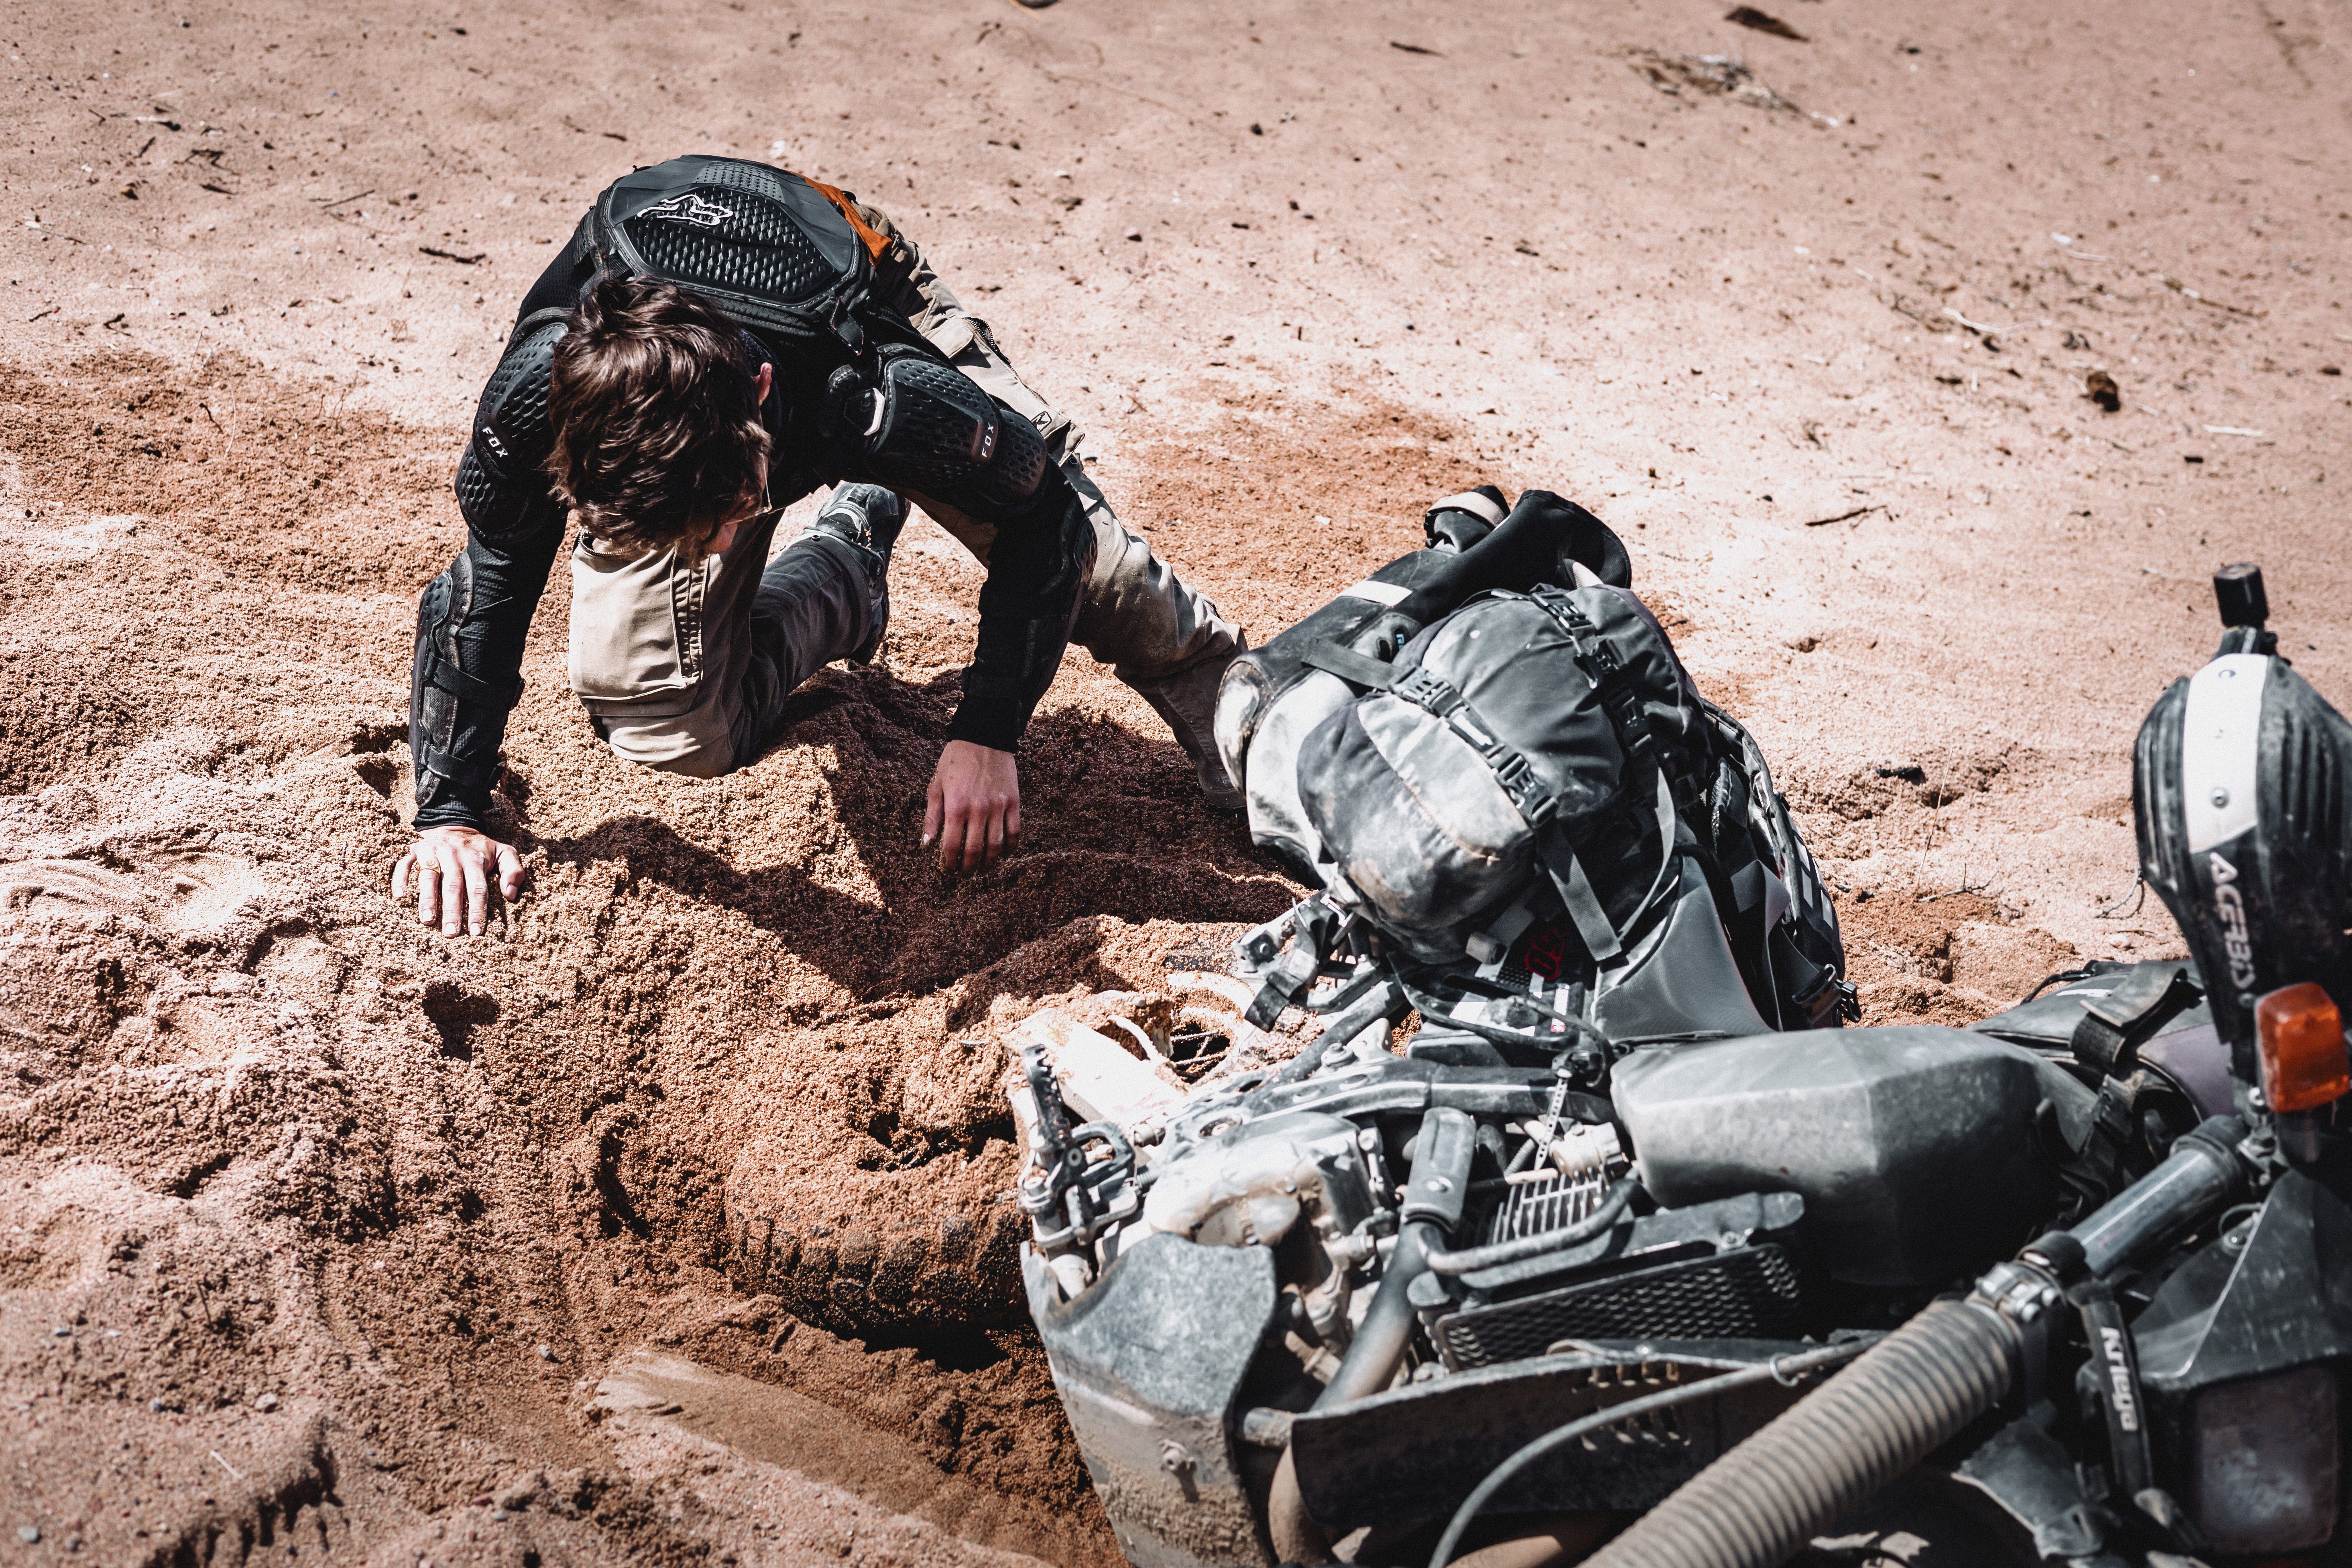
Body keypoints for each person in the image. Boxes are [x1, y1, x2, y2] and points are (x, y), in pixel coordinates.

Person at [392, 154, 1245, 938]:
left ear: (760, 393)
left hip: (860, 303)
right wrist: (451, 813)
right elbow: (488, 585)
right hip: (686, 379)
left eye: (729, 512)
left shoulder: (876, 391)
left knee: (1099, 578)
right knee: (665, 719)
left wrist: (989, 730)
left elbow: (1046, 522)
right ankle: (851, 553)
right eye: (689, 532)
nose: (716, 546)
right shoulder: (541, 400)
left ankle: (1254, 729)